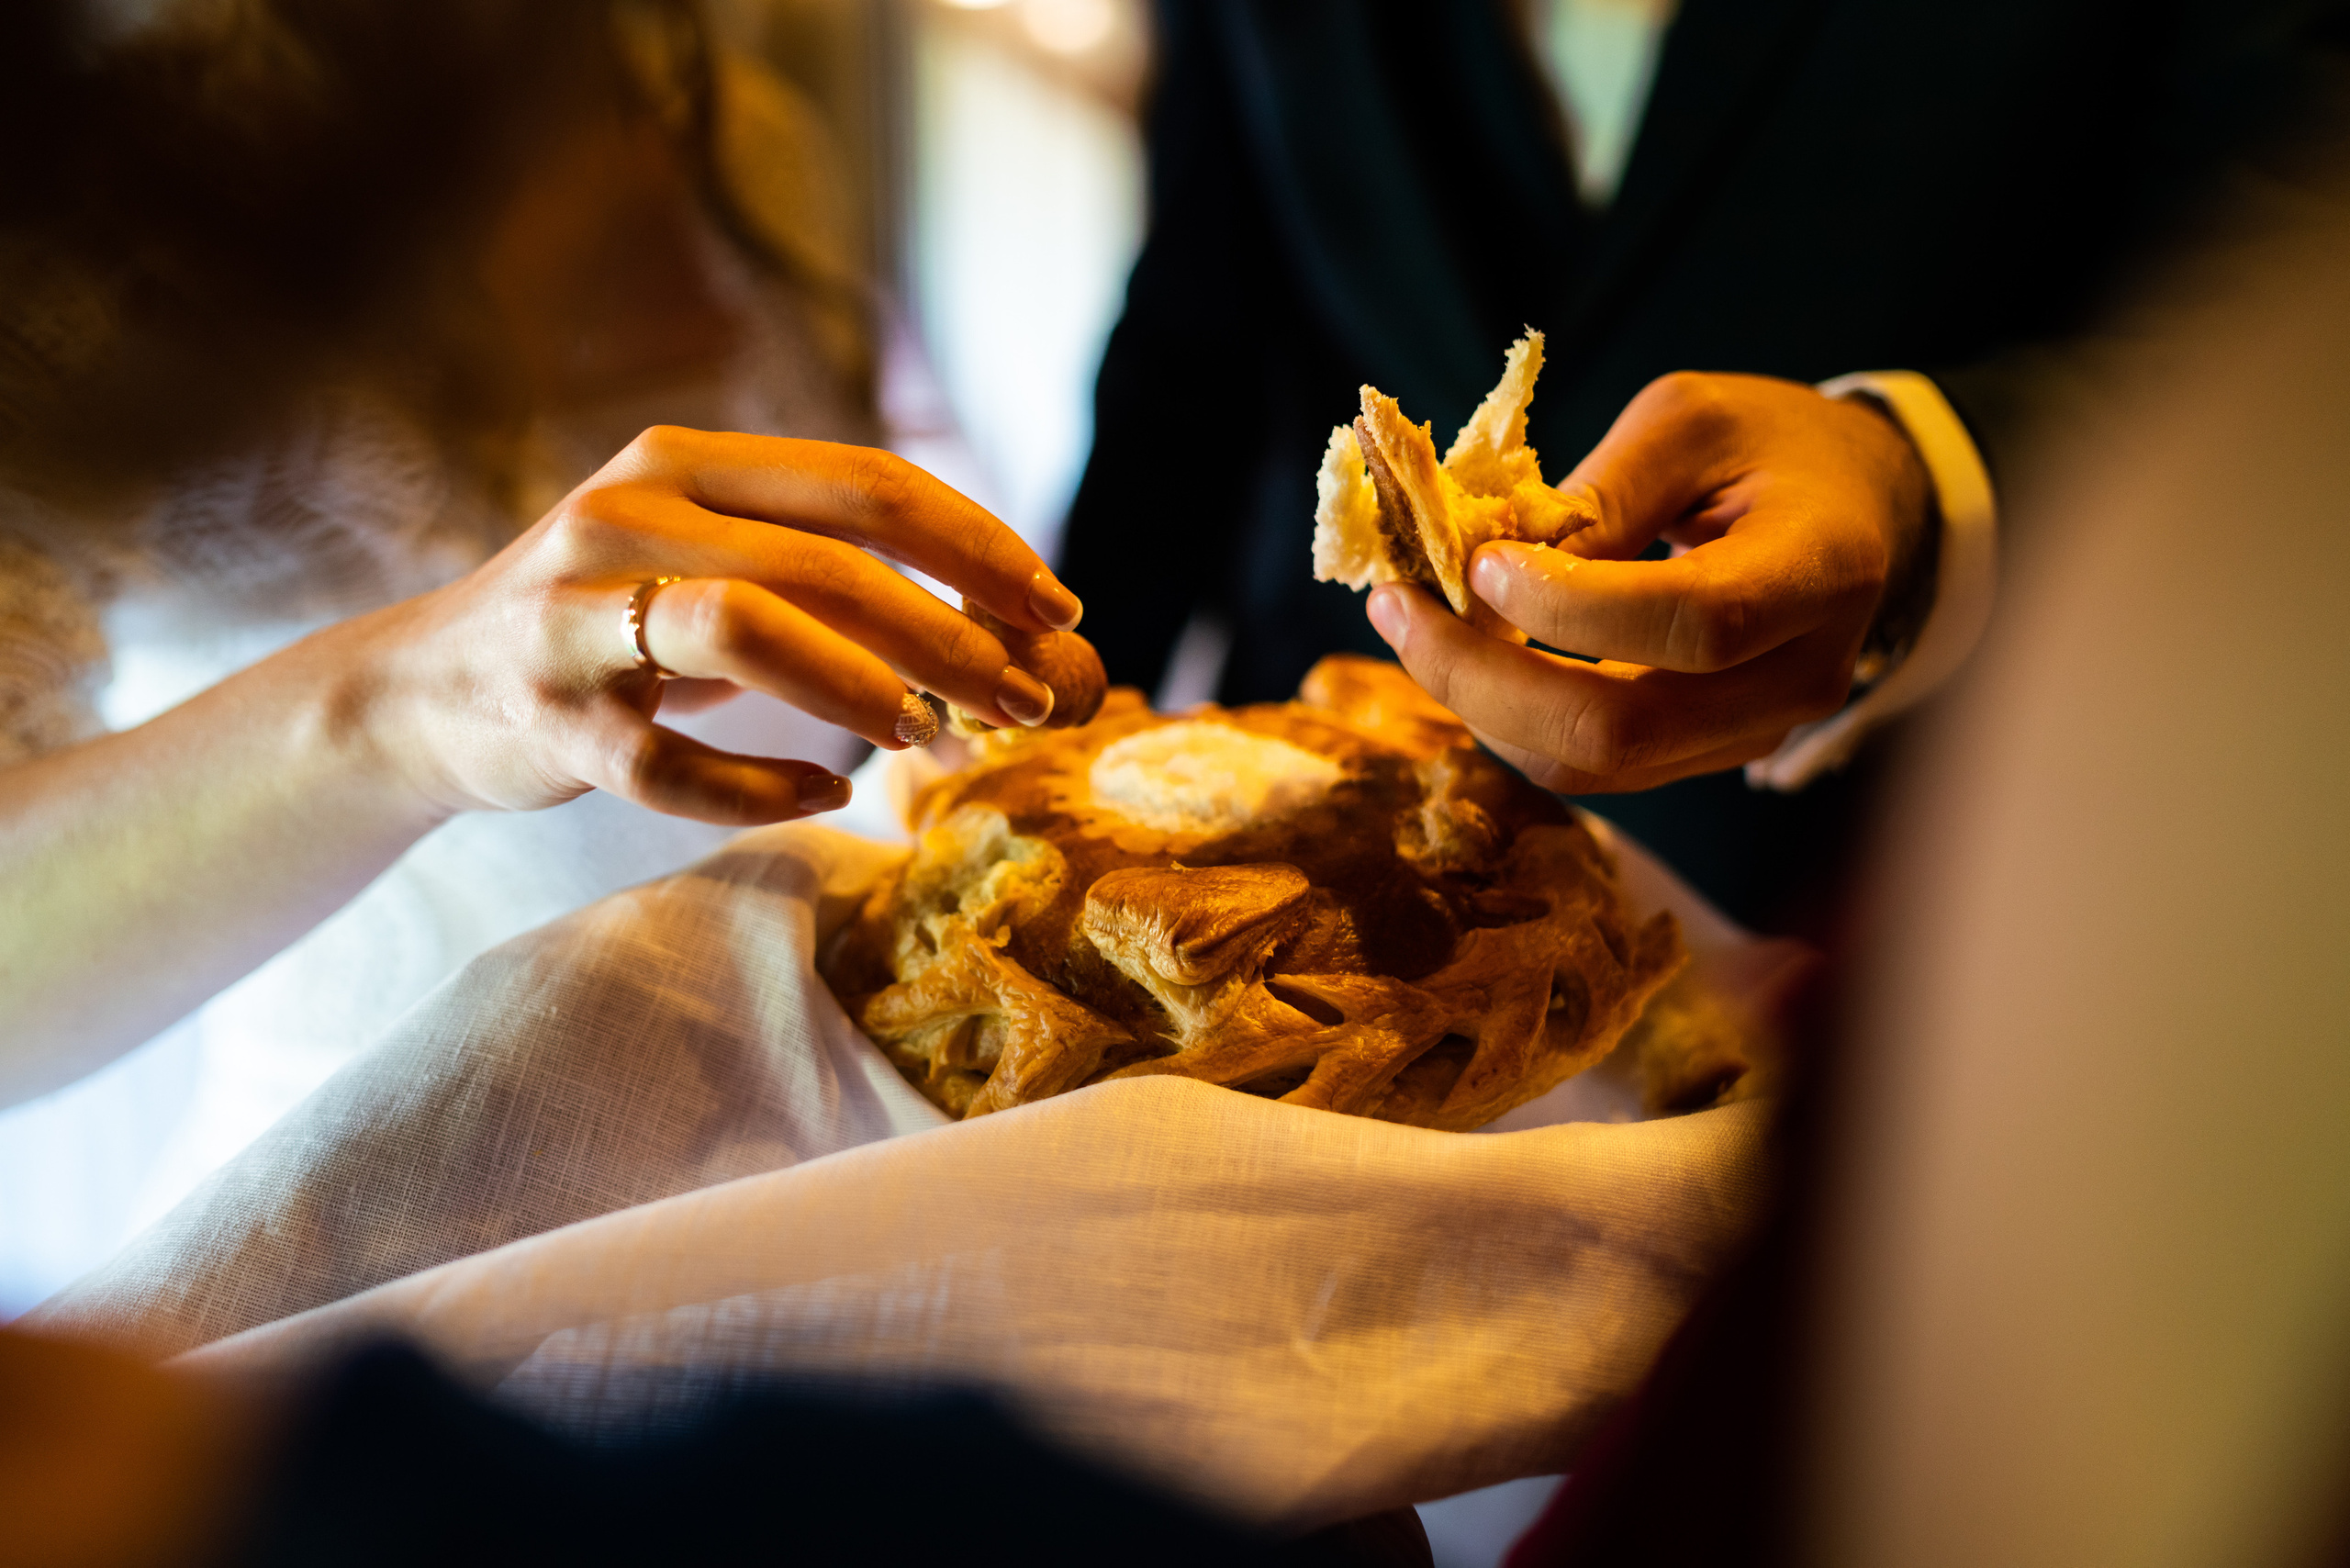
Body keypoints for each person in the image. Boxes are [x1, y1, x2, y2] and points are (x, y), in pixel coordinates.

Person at [1061, 0, 2350, 931]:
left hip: (1884, 916)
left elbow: (2294, 319)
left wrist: (1927, 480)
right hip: (1308, 874)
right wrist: (1049, 717)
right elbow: (1200, 320)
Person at [0, 2, 1080, 1105]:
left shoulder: (753, 152)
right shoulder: (82, 221)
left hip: (810, 1107)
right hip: (350, 1163)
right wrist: (400, 709)